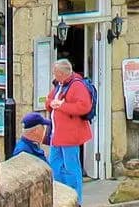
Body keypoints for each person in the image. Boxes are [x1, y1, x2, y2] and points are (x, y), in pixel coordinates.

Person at [24, 58, 92, 199]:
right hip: (57, 134)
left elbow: (84, 106)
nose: (53, 75)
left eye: (55, 72)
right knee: (55, 165)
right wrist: (52, 104)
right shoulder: (60, 85)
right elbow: (48, 100)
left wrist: (62, 106)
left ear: (62, 73)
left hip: (70, 135)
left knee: (71, 167)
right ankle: (58, 193)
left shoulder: (76, 86)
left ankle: (75, 198)